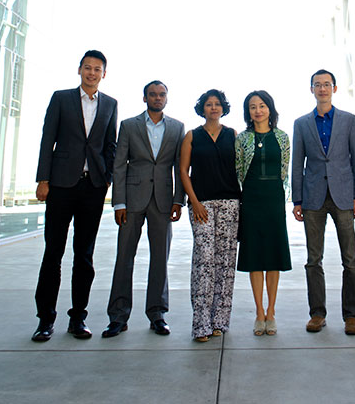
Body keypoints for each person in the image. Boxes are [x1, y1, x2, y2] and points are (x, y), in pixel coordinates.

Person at [32, 50, 117, 342]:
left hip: (92, 188)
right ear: (79, 70)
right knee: (53, 252)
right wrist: (43, 179)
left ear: (104, 74)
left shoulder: (110, 104)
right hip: (60, 186)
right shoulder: (61, 98)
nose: (92, 73)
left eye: (97, 69)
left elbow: (110, 145)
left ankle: (78, 318)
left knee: (85, 255)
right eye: (88, 68)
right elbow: (47, 139)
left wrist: (106, 179)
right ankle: (45, 320)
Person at [101, 80, 184, 338]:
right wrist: (119, 202)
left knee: (160, 258)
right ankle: (118, 315)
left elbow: (180, 167)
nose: (157, 98)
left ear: (167, 99)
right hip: (132, 200)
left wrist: (178, 200)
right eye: (153, 94)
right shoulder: (128, 126)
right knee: (124, 257)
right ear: (144, 97)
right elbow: (119, 165)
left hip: (162, 201)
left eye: (162, 95)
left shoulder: (177, 128)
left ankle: (157, 314)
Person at [292, 69, 355, 336]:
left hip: (344, 195)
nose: (322, 89)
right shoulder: (301, 123)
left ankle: (352, 316)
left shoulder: (348, 120)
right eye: (317, 85)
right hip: (313, 197)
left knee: (350, 259)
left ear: (334, 88)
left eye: (326, 84)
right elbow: (297, 163)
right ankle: (317, 313)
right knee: (313, 259)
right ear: (311, 89)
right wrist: (297, 199)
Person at [180, 89, 240, 342]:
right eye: (208, 104)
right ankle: (201, 324)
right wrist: (194, 202)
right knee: (204, 262)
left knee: (225, 264)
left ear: (223, 108)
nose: (213, 108)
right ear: (202, 108)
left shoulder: (233, 135)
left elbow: (240, 170)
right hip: (201, 204)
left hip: (230, 204)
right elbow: (183, 171)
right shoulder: (192, 136)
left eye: (217, 104)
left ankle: (219, 322)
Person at [236, 90, 291, 336]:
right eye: (252, 107)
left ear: (270, 108)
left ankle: (272, 311)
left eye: (261, 106)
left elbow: (285, 170)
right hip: (251, 198)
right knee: (255, 255)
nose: (257, 111)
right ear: (248, 112)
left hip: (274, 198)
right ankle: (259, 312)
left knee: (273, 255)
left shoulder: (282, 137)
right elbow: (238, 170)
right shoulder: (242, 138)